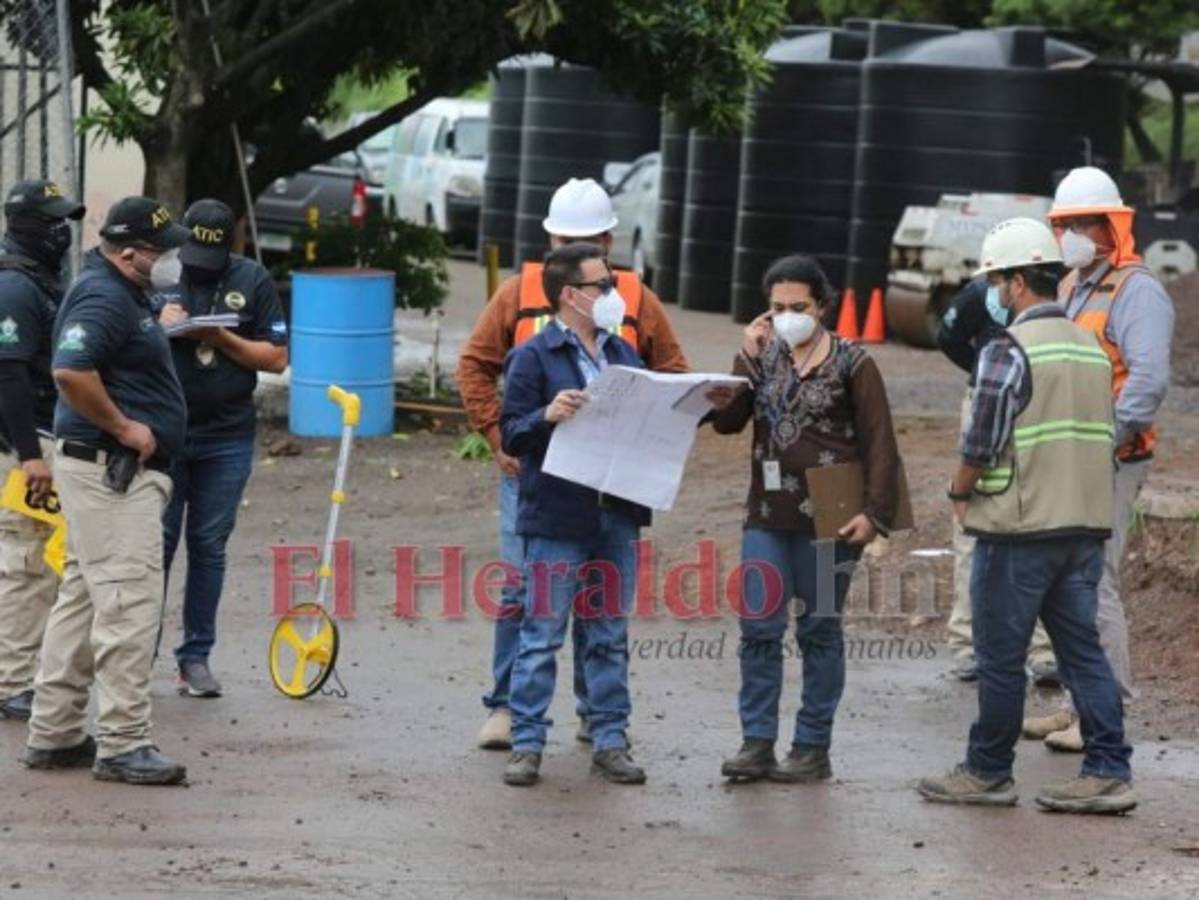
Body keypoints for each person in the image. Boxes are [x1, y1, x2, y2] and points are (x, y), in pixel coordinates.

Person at [457, 177, 688, 751]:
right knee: (523, 594)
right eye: (562, 241)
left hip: (610, 484)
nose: (571, 253)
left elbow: (672, 375)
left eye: (586, 242)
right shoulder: (517, 294)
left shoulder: (633, 299)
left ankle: (595, 714)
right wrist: (498, 437)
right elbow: (475, 365)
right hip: (539, 478)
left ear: (609, 240)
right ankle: (508, 708)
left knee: (600, 603)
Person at [917, 217, 1135, 814]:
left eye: (996, 280)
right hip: (1082, 529)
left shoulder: (1006, 349)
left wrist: (959, 493)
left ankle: (988, 771)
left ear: (1014, 283)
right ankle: (1109, 771)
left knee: (999, 658)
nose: (993, 292)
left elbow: (981, 443)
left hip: (1016, 530)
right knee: (1081, 652)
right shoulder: (1090, 346)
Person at [710, 254, 901, 784]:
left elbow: (881, 442)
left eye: (798, 306)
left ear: (822, 306)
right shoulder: (763, 355)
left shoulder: (853, 363)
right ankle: (756, 742)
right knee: (759, 627)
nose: (786, 316)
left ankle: (812, 745)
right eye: (776, 307)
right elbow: (725, 422)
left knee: (818, 628)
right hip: (768, 514)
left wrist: (875, 514)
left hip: (833, 517)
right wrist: (744, 358)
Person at [24, 196, 190, 785]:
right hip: (110, 470)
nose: (169, 260)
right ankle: (122, 743)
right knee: (127, 600)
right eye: (160, 251)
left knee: (85, 599)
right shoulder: (102, 295)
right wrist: (124, 427)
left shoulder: (125, 291)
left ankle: (55, 730)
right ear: (127, 253)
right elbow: (70, 369)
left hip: (102, 469)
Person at [1022, 167, 1174, 752]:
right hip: (1072, 456)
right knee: (1064, 582)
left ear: (1112, 226)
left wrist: (1101, 440)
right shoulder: (1072, 286)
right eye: (1065, 224)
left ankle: (1105, 713)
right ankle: (1076, 703)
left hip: (1111, 460)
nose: (1072, 233)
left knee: (1097, 581)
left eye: (1083, 223)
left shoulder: (1138, 292)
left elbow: (1148, 381)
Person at [498, 242, 649, 787]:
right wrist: (547, 414)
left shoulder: (624, 355)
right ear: (570, 295)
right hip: (558, 516)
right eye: (601, 285)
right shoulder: (534, 357)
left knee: (608, 632)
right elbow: (511, 432)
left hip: (616, 513)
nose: (612, 294)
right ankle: (527, 743)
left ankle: (610, 738)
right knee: (541, 633)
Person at [155, 199, 288, 697]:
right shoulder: (160, 273)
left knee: (208, 546)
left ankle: (196, 658)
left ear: (232, 241)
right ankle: (137, 656)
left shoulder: (252, 279)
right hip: (164, 435)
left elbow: (275, 359)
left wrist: (219, 336)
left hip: (227, 436)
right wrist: (158, 322)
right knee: (158, 547)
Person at [936, 276, 1058, 687]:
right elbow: (948, 335)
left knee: (1044, 524)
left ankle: (1044, 652)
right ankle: (969, 644)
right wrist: (987, 373)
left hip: (1043, 403)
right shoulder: (980, 294)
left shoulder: (1059, 288)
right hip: (989, 399)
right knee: (973, 526)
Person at [0, 179, 84, 720]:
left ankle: (25, 673)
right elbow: (6, 376)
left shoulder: (41, 280)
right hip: (24, 448)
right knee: (26, 564)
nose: (63, 232)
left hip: (43, 438)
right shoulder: (14, 288)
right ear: (28, 226)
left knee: (44, 566)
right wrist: (31, 456)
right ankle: (11, 681)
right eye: (54, 222)